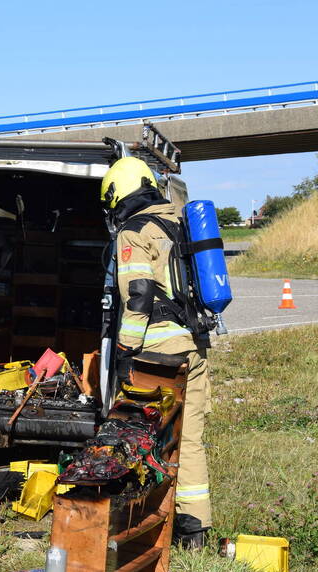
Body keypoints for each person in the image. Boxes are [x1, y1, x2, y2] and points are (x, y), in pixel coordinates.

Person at [100, 156, 213, 549]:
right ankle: (194, 529)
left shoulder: (134, 231)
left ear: (118, 195)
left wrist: (127, 349)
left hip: (160, 348)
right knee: (190, 438)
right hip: (195, 345)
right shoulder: (177, 223)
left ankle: (129, 522)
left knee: (134, 436)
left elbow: (139, 294)